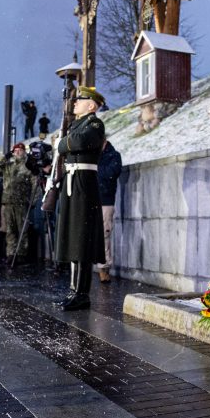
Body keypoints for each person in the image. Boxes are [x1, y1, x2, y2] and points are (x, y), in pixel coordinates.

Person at [55, 86, 106, 311]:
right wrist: (64, 140)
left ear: (91, 105)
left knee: (81, 238)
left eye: (80, 99)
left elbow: (76, 143)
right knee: (73, 236)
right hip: (71, 182)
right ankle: (74, 289)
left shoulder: (94, 124)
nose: (75, 102)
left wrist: (64, 140)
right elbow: (65, 144)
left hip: (83, 183)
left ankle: (82, 292)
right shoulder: (77, 124)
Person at [0, 142, 36, 264]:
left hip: (22, 202)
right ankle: (11, 253)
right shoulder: (8, 165)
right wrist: (4, 157)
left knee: (22, 229)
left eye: (20, 150)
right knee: (10, 230)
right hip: (8, 201)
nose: (18, 152)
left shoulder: (28, 165)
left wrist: (33, 200)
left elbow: (35, 183)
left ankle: (21, 254)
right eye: (16, 150)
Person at [95, 139, 122, 283]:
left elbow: (112, 173)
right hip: (92, 200)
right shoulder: (93, 155)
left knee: (105, 234)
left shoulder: (114, 155)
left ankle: (103, 268)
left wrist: (96, 169)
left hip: (105, 200)